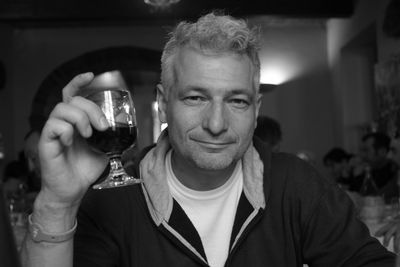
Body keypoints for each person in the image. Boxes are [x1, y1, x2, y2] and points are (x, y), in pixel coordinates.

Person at [21, 12, 395, 267]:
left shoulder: (295, 184)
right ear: (163, 104)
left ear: (256, 107)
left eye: (236, 100)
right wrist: (57, 203)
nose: (216, 123)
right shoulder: (115, 202)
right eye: (195, 97)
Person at [359, 132, 399, 202]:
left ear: (382, 151)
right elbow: (377, 197)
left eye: (394, 151)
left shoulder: (393, 170)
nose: (389, 156)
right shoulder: (397, 176)